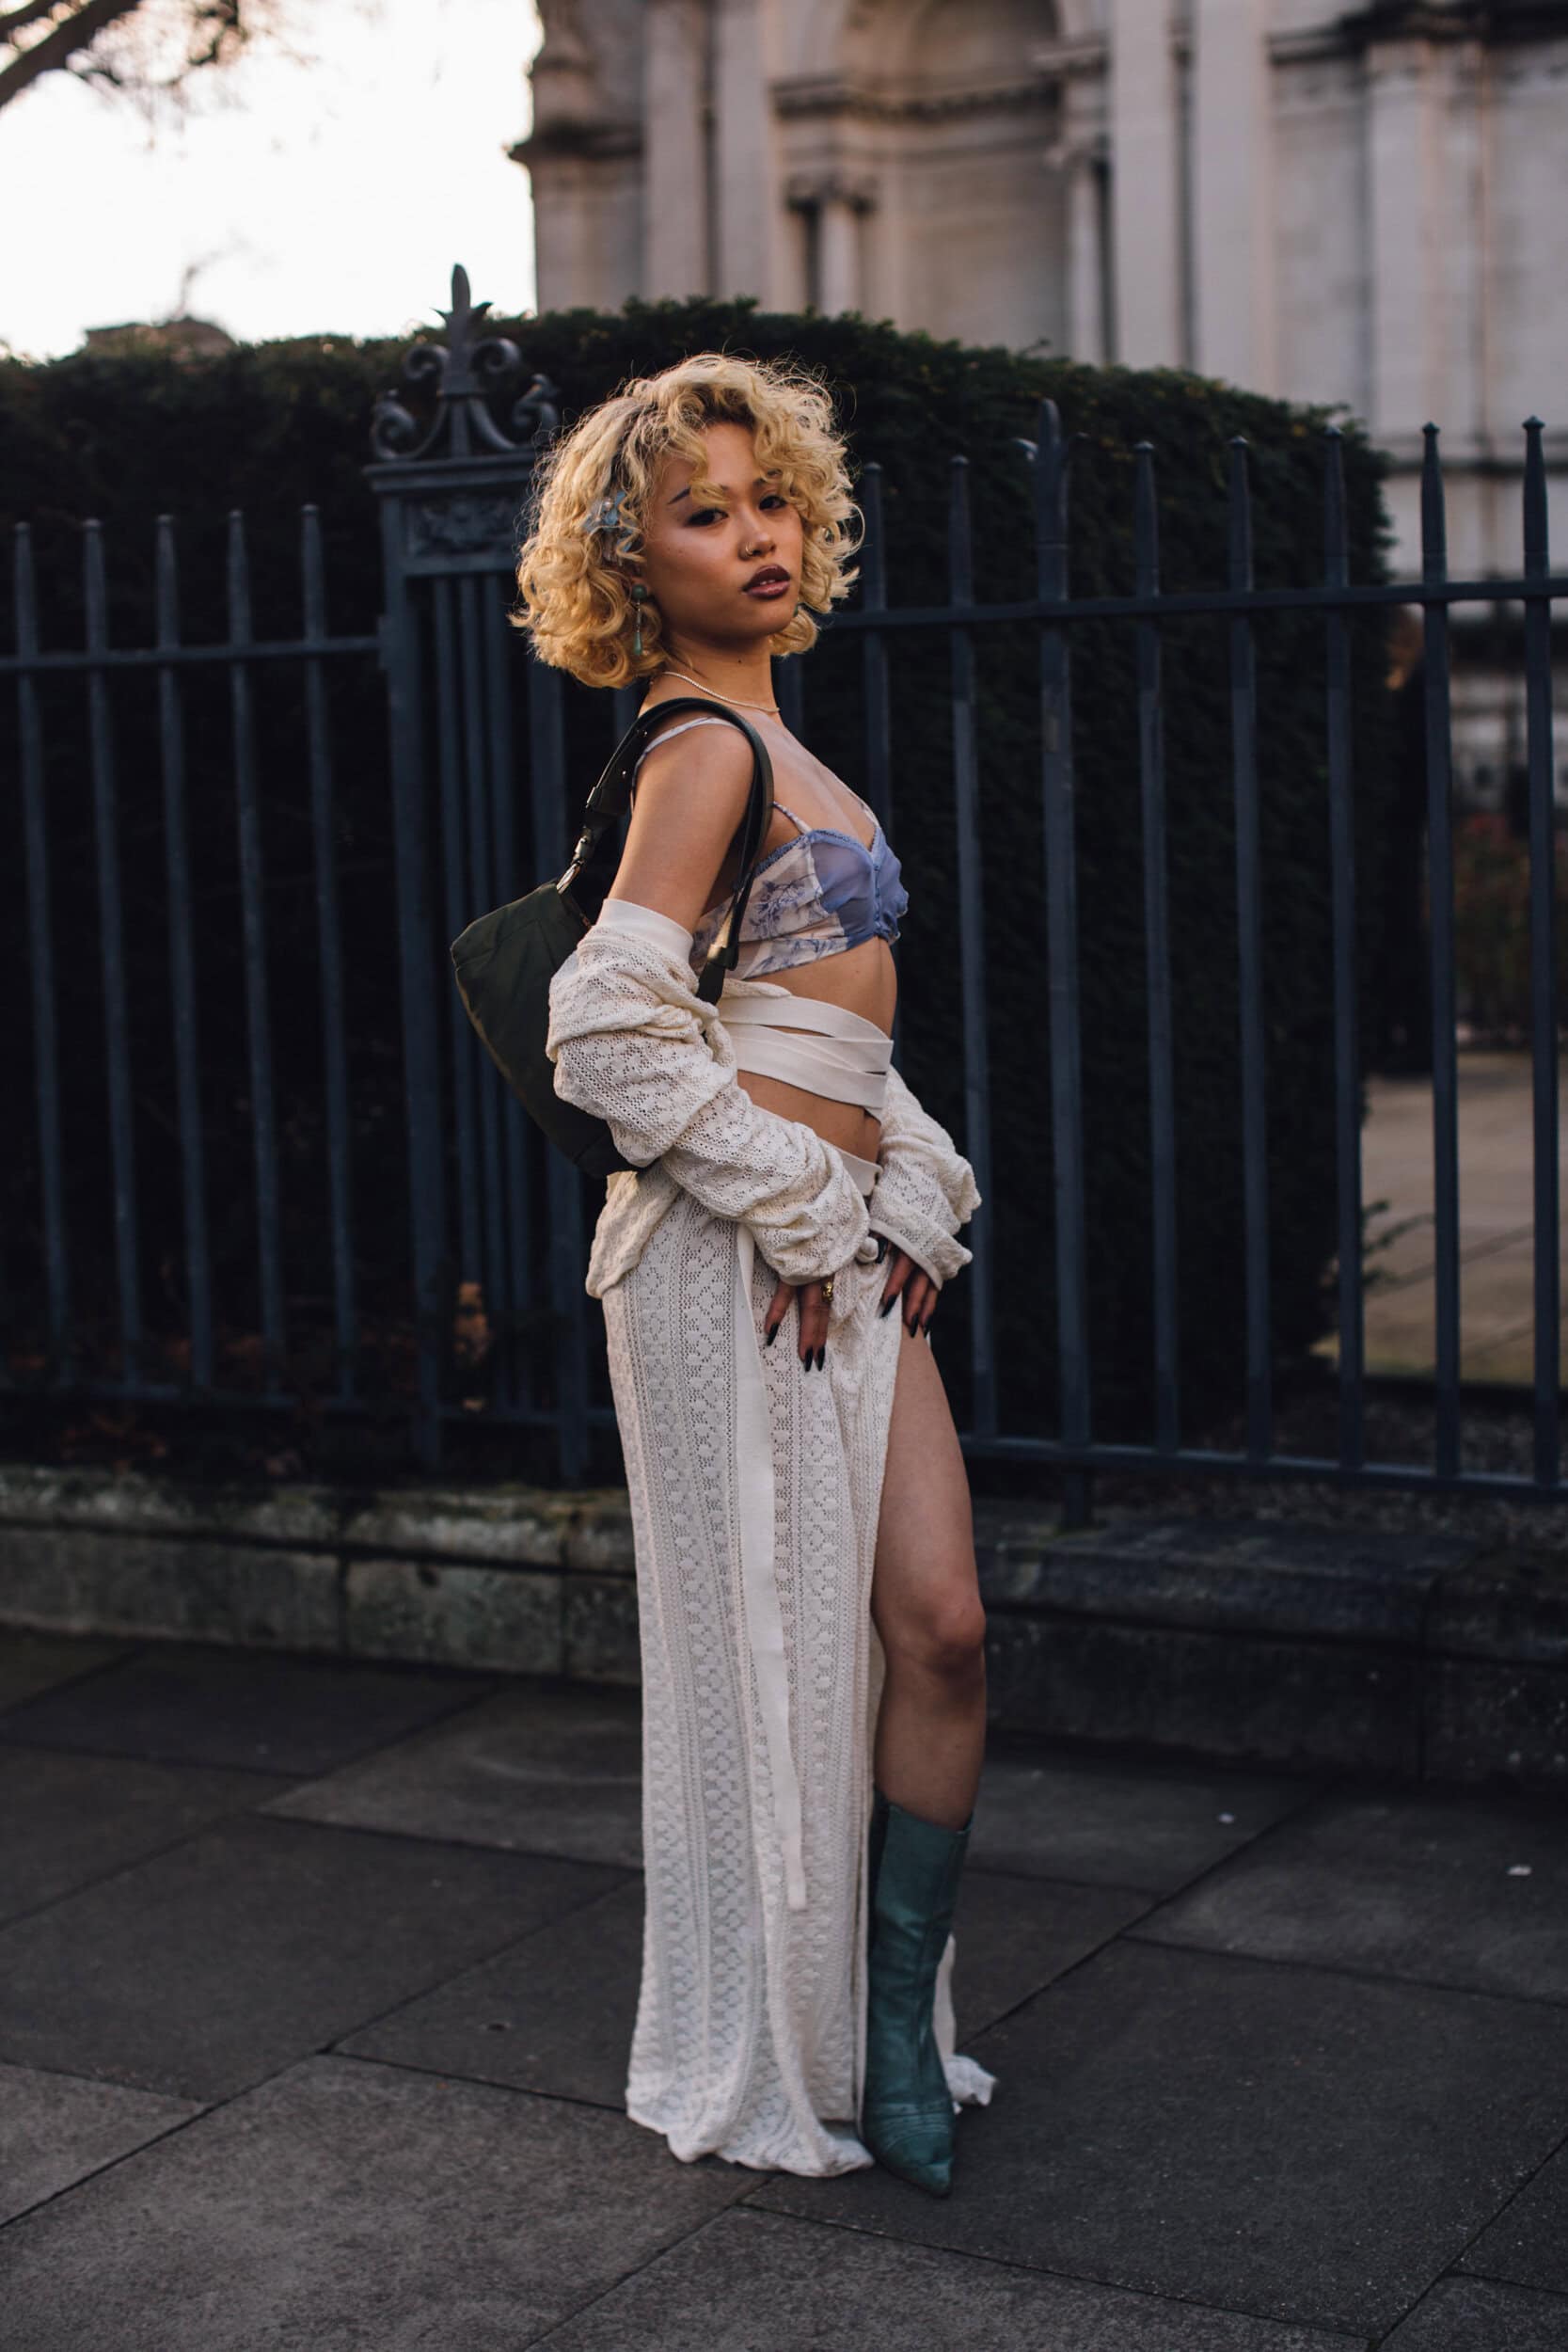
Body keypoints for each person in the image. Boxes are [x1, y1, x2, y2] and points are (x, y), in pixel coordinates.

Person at [514, 351, 995, 2193]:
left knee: (938, 1628)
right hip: (740, 1258)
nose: (755, 536)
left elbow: (826, 1027)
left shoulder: (784, 745)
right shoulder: (702, 745)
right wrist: (803, 1196)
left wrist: (904, 1181)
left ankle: (891, 2028)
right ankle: (807, 2052)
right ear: (635, 560)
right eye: (703, 513)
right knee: (785, 1667)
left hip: (832, 1243)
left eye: (772, 498)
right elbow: (604, 1029)